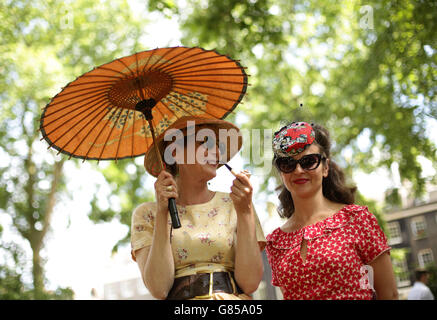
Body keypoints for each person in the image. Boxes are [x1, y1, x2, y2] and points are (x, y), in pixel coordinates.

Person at [130, 116, 266, 300]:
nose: (217, 152)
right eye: (206, 142)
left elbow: (250, 282)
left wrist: (245, 211)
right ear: (176, 152)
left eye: (220, 147)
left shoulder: (238, 202)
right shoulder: (147, 214)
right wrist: (163, 212)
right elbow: (159, 289)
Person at [265, 121, 398, 300]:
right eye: (288, 163)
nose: (298, 170)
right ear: (281, 172)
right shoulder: (275, 242)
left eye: (308, 161)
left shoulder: (357, 219)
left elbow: (389, 294)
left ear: (325, 167)